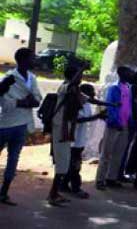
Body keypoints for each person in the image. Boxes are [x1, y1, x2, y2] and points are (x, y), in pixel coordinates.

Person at [0, 48, 42, 206]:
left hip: (22, 124)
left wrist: (27, 102)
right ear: (23, 60)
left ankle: (4, 193)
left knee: (13, 161)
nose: (35, 61)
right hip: (5, 124)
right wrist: (23, 102)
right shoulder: (10, 78)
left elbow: (38, 99)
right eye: (32, 58)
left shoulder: (32, 78)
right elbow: (3, 103)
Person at [48, 65, 86, 206]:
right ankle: (53, 195)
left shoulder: (75, 91)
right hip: (60, 129)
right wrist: (81, 69)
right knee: (62, 163)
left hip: (66, 130)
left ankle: (55, 193)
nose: (81, 79)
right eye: (79, 76)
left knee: (64, 163)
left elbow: (89, 100)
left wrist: (112, 104)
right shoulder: (64, 87)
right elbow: (71, 83)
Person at [96, 66, 135, 191]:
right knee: (106, 154)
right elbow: (110, 106)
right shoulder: (114, 88)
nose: (131, 74)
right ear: (122, 74)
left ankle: (111, 178)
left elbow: (127, 108)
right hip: (114, 125)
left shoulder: (127, 88)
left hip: (124, 125)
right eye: (129, 72)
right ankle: (100, 180)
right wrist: (114, 121)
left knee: (118, 154)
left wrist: (129, 122)